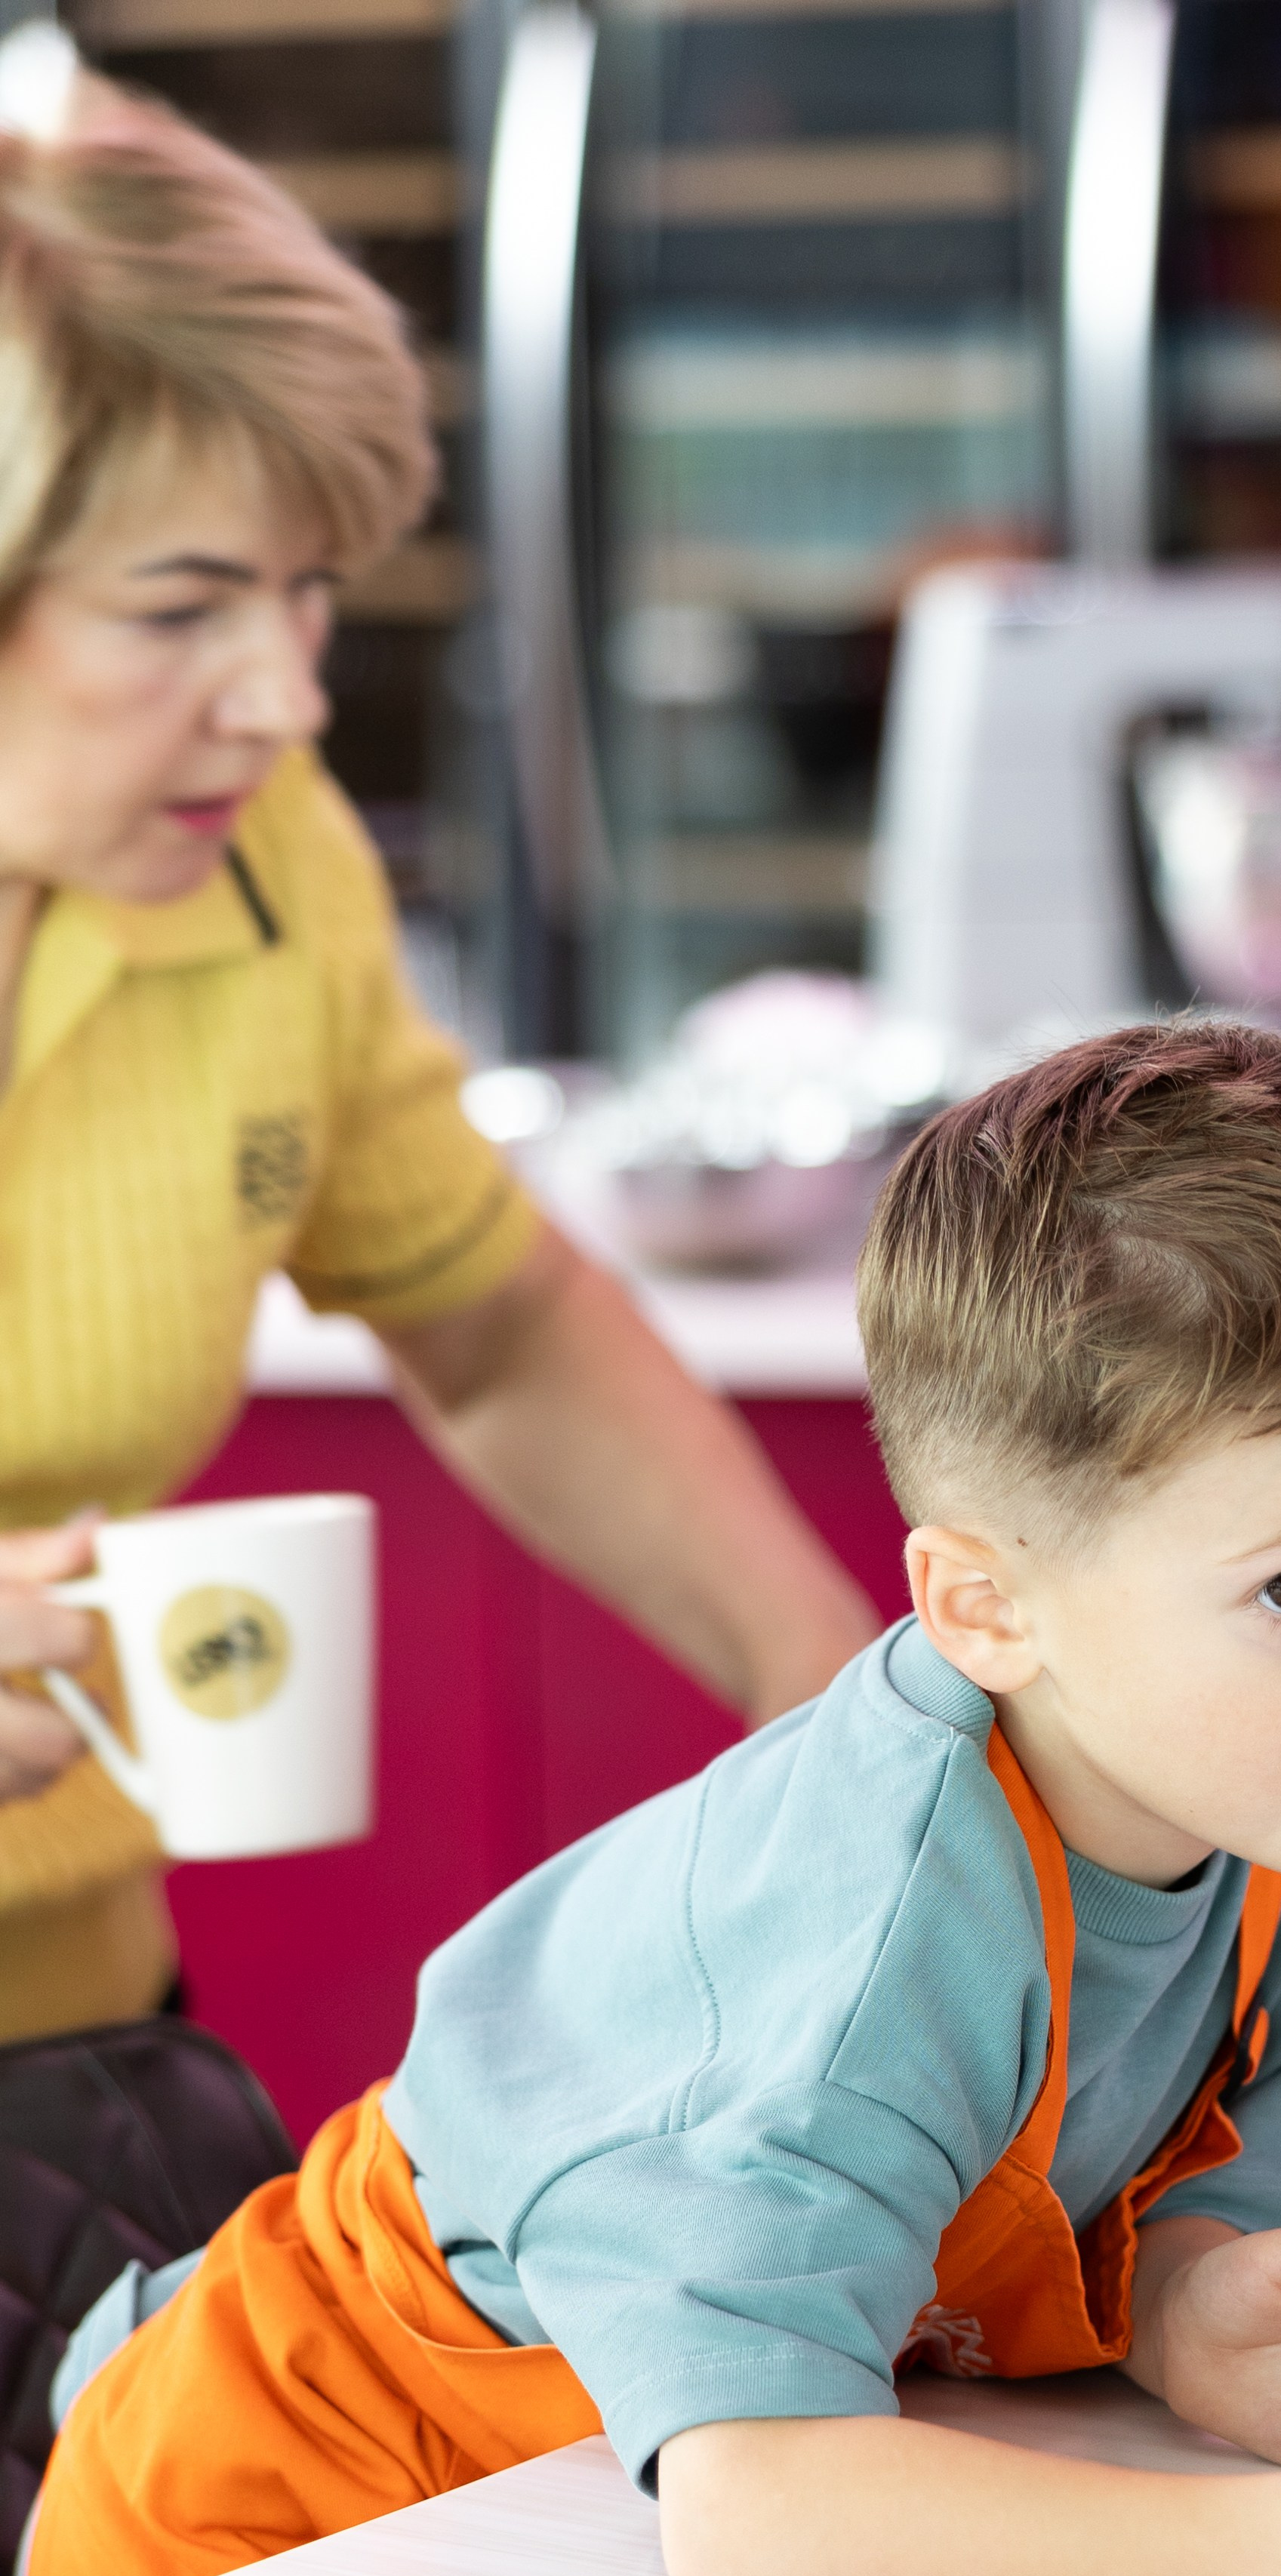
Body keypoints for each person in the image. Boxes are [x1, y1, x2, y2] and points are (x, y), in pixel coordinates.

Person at [21, 1024, 1281, 2576]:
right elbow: (759, 2505)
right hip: (274, 2537)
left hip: (563, 2549)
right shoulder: (886, 1930)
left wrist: (1194, 2301)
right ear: (986, 1608)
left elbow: (1188, 2158)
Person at [0, 56, 876, 2044]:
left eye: (310, 596)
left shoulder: (260, 868)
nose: (281, 700)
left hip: (74, 2027)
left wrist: (838, 1699)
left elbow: (493, 1317)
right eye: (181, 607)